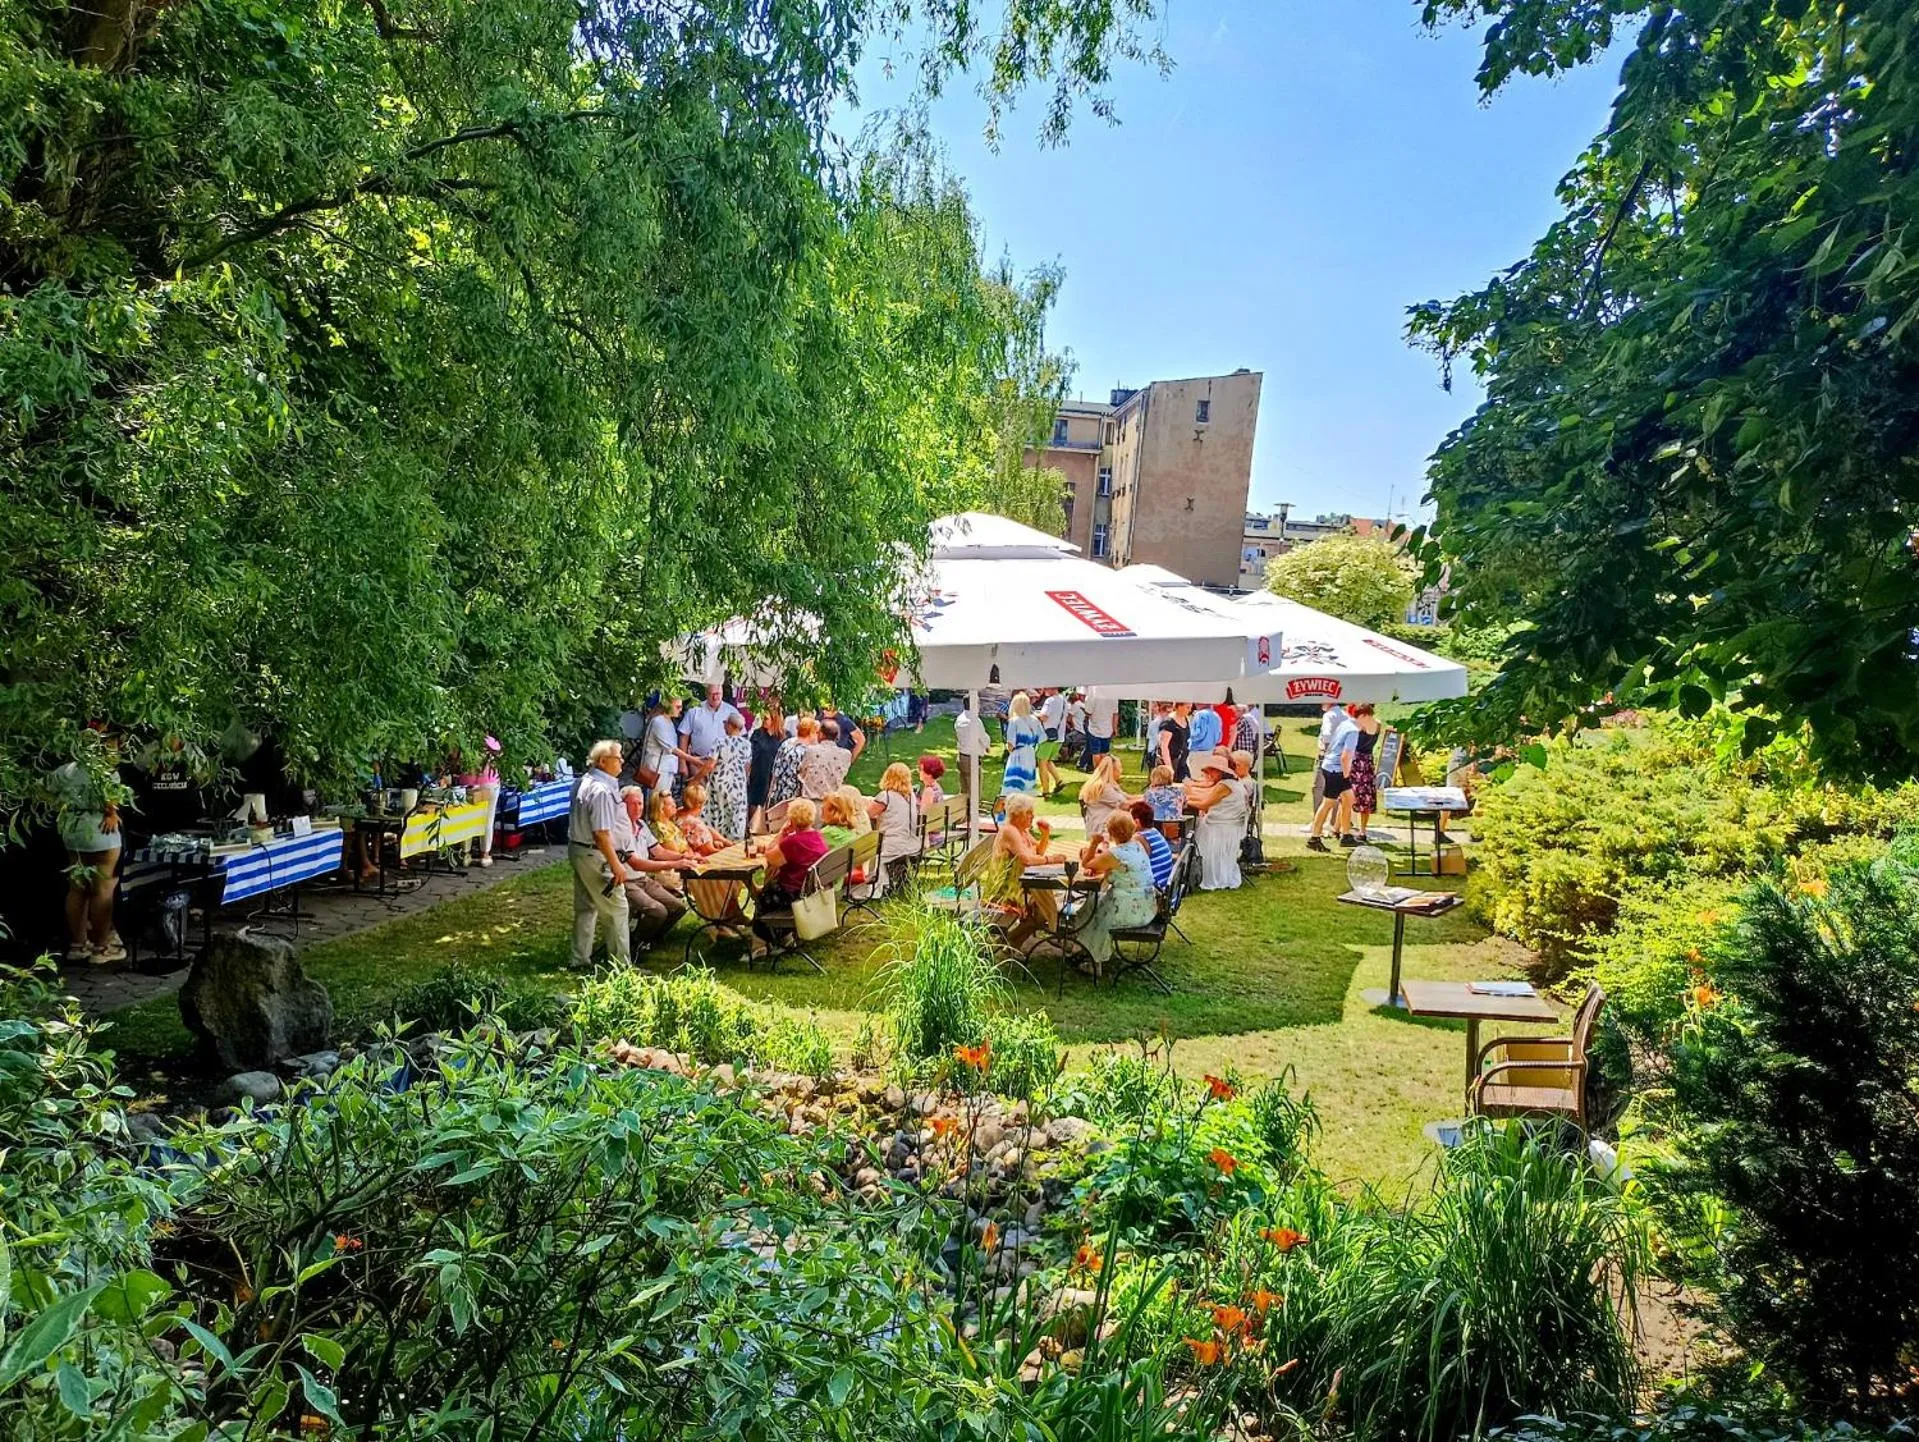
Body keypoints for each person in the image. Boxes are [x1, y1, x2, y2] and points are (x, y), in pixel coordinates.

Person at [53, 743, 125, 964]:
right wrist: (111, 812)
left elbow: (43, 788)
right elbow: (112, 801)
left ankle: (77, 945)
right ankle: (101, 948)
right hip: (101, 832)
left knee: (77, 888)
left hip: (73, 831)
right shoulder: (106, 771)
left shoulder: (67, 770)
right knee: (102, 889)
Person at [1070, 812, 1162, 975]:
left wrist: (1094, 843)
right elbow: (1122, 870)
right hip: (1146, 906)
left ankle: (1093, 960)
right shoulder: (1137, 845)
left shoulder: (1115, 854)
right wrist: (1105, 868)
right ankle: (1083, 947)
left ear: (1111, 832)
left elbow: (1087, 864)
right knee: (1092, 903)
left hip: (1127, 910)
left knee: (1093, 911)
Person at [568, 740, 631, 970]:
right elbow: (602, 834)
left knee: (585, 907)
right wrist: (616, 865)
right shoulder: (602, 790)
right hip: (595, 854)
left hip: (578, 849)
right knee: (617, 909)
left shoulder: (581, 782)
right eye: (618, 757)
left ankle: (579, 959)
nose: (622, 761)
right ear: (603, 762)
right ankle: (621, 968)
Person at [976, 793, 1068, 951]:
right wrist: (1052, 859)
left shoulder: (1022, 831)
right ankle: (1009, 941)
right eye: (1028, 813)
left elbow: (1037, 852)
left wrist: (1045, 835)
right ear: (1015, 814)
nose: (1032, 816)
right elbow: (1027, 859)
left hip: (1019, 885)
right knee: (1042, 909)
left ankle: (1012, 943)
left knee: (1044, 904)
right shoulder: (1010, 831)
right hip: (1005, 892)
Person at [752, 797, 830, 957]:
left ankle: (758, 946)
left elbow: (770, 856)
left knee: (762, 897)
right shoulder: (818, 837)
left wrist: (781, 834)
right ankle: (784, 938)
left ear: (792, 819)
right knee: (767, 890)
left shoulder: (793, 842)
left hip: (793, 894)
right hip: (809, 891)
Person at [615, 785, 689, 945]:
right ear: (622, 806)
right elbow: (636, 864)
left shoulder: (641, 825)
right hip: (626, 881)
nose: (638, 807)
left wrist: (685, 857)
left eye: (640, 803)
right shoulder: (620, 829)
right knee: (658, 911)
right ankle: (635, 944)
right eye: (633, 804)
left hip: (643, 880)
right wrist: (676, 863)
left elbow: (659, 851)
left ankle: (651, 939)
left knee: (678, 908)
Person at [1188, 752, 1249, 890]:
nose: (1209, 774)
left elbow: (1204, 804)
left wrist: (1185, 800)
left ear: (1219, 771)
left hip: (1220, 828)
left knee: (1191, 827)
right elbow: (1206, 798)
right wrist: (1188, 797)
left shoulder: (1225, 785)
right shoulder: (1231, 783)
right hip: (1229, 827)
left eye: (1211, 771)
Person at [1307, 707, 1361, 853]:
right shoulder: (1353, 731)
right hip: (1336, 770)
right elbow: (1346, 756)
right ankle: (1314, 838)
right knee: (1328, 804)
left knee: (1349, 799)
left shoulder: (1345, 723)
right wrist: (1346, 774)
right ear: (1364, 717)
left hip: (1333, 766)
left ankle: (1346, 835)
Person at [868, 761, 921, 888]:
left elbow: (867, 815)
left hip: (892, 846)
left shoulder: (885, 797)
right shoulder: (911, 796)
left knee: (868, 850)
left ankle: (878, 886)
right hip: (913, 844)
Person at [678, 683, 743, 783]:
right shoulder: (695, 710)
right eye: (712, 694)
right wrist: (682, 763)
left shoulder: (731, 712)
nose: (715, 697)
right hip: (698, 763)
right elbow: (684, 736)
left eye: (718, 693)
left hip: (723, 766)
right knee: (697, 796)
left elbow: (741, 738)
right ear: (706, 693)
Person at [707, 712, 752, 842]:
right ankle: (735, 846)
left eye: (725, 723)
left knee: (718, 815)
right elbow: (747, 767)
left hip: (720, 785)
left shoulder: (720, 742)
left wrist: (696, 779)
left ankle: (718, 844)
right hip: (738, 786)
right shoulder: (747, 745)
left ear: (730, 725)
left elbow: (710, 764)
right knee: (735, 817)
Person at [458, 736, 503, 867]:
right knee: (488, 818)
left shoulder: (463, 738)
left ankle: (465, 854)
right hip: (490, 782)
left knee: (467, 819)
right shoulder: (491, 741)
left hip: (467, 783)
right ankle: (485, 854)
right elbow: (498, 753)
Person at [640, 696, 693, 801]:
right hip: (657, 769)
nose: (680, 710)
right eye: (678, 707)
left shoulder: (668, 721)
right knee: (657, 802)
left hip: (666, 768)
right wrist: (694, 760)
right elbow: (671, 748)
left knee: (663, 801)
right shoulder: (658, 722)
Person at [1347, 704, 1383, 843]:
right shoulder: (1378, 724)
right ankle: (1362, 830)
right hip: (1368, 762)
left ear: (1364, 715)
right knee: (1366, 798)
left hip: (1356, 762)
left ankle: (1343, 827)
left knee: (1348, 795)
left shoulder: (1359, 726)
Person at [747, 704, 786, 831]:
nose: (764, 721)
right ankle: (752, 829)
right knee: (755, 800)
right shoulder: (757, 734)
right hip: (758, 773)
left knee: (770, 804)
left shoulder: (782, 737)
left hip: (774, 774)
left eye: (766, 719)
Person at [651, 789, 722, 858]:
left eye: (674, 802)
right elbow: (675, 854)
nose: (674, 805)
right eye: (670, 804)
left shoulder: (670, 823)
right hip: (680, 863)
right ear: (661, 809)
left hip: (689, 858)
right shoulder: (659, 828)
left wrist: (692, 854)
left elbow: (686, 846)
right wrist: (693, 856)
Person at [1077, 753, 1131, 842]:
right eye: (1119, 768)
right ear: (1112, 770)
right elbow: (1125, 805)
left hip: (1102, 828)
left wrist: (1148, 795)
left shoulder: (1109, 785)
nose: (1121, 771)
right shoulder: (1103, 788)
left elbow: (1128, 797)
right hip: (1102, 832)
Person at [1127, 799, 1177, 890]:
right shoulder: (1154, 831)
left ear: (1136, 822)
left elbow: (1131, 865)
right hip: (1165, 886)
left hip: (1155, 890)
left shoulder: (1139, 838)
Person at [1001, 691, 1044, 794]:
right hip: (1030, 753)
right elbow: (1042, 737)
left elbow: (1011, 743)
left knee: (1014, 782)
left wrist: (1010, 750)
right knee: (1028, 781)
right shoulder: (1035, 720)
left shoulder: (1014, 721)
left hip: (1018, 753)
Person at [953, 698, 991, 812]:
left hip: (962, 756)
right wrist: (987, 746)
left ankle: (962, 813)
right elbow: (983, 738)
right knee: (975, 790)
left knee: (964, 789)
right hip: (972, 758)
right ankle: (972, 815)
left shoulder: (959, 719)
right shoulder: (975, 721)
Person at [1311, 700, 1350, 811]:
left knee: (1318, 787)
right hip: (1342, 756)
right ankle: (1334, 823)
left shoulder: (1329, 715)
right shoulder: (1345, 715)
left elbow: (1327, 735)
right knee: (1339, 790)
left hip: (1327, 755)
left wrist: (1328, 748)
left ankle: (1316, 822)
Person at [799, 718, 852, 799]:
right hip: (833, 803)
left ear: (821, 734)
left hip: (811, 801)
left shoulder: (811, 750)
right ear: (837, 736)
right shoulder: (846, 754)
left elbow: (802, 772)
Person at [675, 782, 728, 854]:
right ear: (700, 804)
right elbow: (710, 851)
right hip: (699, 857)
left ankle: (726, 841)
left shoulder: (677, 813)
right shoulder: (695, 824)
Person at [769, 715, 808, 811]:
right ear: (810, 733)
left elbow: (775, 769)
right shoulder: (805, 750)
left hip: (778, 793)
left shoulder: (787, 743)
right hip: (793, 797)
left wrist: (770, 792)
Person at [1037, 688, 1067, 794]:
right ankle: (1059, 781)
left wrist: (1034, 715)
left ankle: (1045, 790)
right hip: (1059, 736)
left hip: (1047, 737)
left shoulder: (1050, 701)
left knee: (1042, 763)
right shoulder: (1064, 700)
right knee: (1048, 761)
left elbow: (1044, 717)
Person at [1158, 702, 1192, 781]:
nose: (1190, 710)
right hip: (1171, 760)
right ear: (1179, 707)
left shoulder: (1186, 719)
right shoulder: (1169, 723)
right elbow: (1164, 746)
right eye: (1187, 707)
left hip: (1182, 761)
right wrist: (1169, 768)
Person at [1081, 692, 1116, 764]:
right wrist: (1114, 727)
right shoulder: (1113, 696)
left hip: (1094, 728)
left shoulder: (1092, 696)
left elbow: (1088, 712)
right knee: (1104, 752)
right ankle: (1104, 771)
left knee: (1095, 752)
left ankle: (1098, 771)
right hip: (1108, 728)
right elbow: (1115, 713)